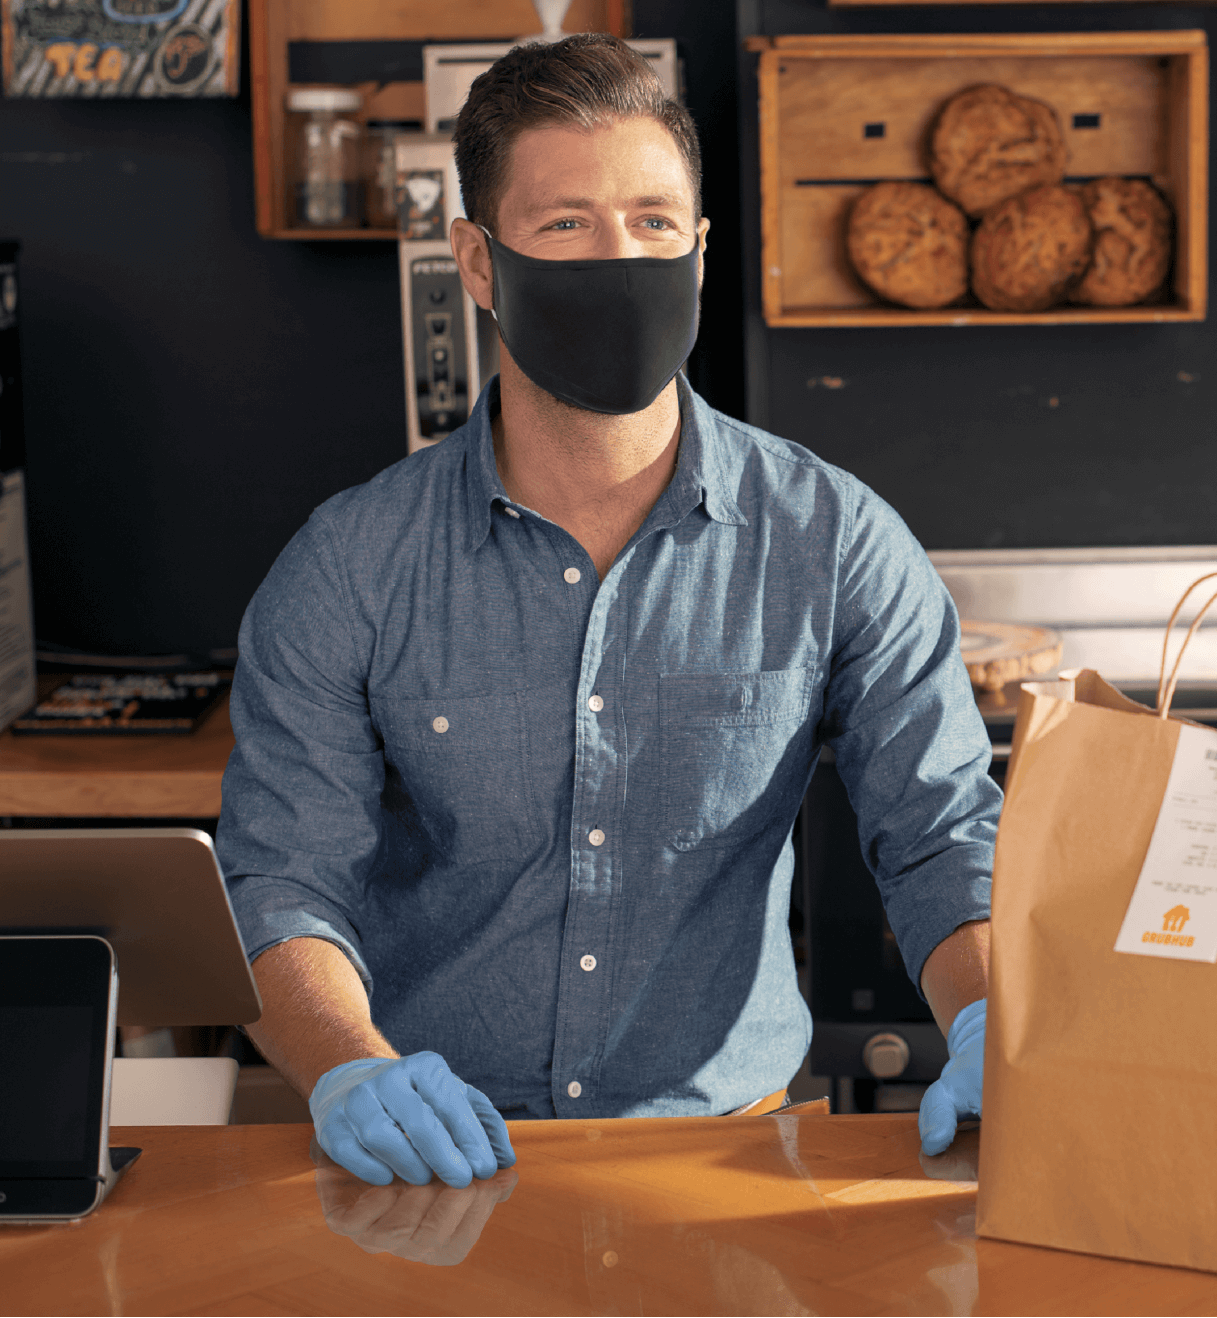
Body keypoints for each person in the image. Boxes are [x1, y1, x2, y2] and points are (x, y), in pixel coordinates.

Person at [218, 34, 999, 1189]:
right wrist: (347, 1063)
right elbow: (282, 881)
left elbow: (938, 834)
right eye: (566, 224)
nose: (617, 255)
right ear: (478, 262)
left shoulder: (833, 539)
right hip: (430, 1159)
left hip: (733, 1155)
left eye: (650, 220)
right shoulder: (350, 565)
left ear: (698, 248)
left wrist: (991, 1019)